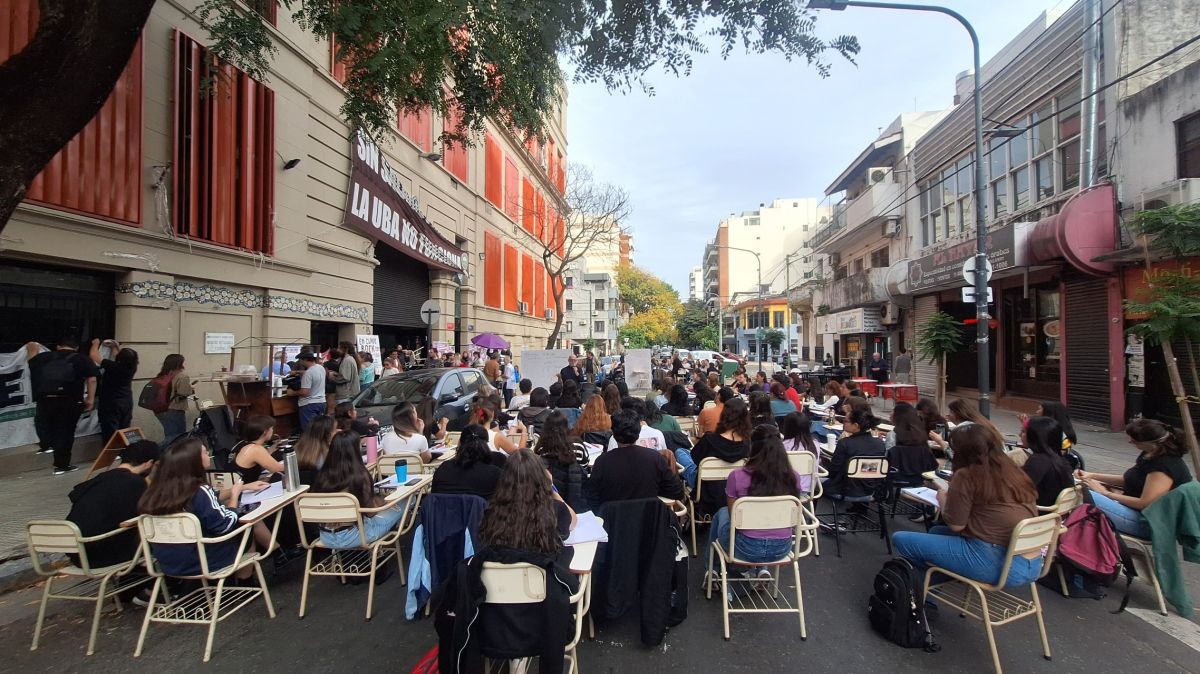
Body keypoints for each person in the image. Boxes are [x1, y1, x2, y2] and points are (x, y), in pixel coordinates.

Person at [892, 424, 1042, 588]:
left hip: (996, 562)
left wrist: (942, 498)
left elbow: (956, 525)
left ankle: (920, 589)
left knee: (901, 539)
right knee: (936, 532)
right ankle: (927, 587)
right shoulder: (1013, 471)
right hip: (1031, 560)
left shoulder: (968, 475)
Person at [138, 437, 270, 579]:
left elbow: (204, 501)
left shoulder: (155, 493)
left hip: (168, 564)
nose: (208, 454)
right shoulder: (200, 490)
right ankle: (246, 580)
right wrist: (234, 498)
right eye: (204, 452)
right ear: (194, 461)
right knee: (246, 528)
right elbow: (224, 525)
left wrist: (241, 488)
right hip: (204, 561)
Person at [708, 425, 809, 573]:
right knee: (768, 522)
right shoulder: (793, 477)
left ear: (752, 447)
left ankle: (713, 571)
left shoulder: (737, 476)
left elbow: (733, 517)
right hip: (782, 548)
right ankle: (762, 570)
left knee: (722, 514)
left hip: (745, 548)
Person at [1078, 419, 1194, 538]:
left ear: (1151, 443)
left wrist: (1105, 493)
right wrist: (1092, 475)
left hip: (1149, 524)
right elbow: (1129, 479)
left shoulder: (1163, 466)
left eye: (1134, 440)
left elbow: (1145, 503)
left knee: (1080, 494)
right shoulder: (1150, 454)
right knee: (1082, 487)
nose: (1130, 442)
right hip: (1138, 513)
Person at [66, 440, 159, 568]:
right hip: (102, 555)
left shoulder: (100, 479)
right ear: (149, 463)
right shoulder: (134, 483)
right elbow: (150, 514)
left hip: (77, 553)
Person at [313, 431, 407, 551]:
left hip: (326, 538)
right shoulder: (359, 476)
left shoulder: (321, 477)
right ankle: (389, 549)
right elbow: (371, 512)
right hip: (357, 536)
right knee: (407, 500)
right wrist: (387, 501)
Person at [26, 337, 100, 475]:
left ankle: (46, 445)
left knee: (44, 422)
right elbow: (92, 379)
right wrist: (90, 398)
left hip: (45, 399)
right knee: (65, 431)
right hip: (70, 400)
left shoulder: (45, 357)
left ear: (58, 346)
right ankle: (62, 465)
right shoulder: (82, 359)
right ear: (76, 347)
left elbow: (31, 361)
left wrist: (32, 348)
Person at [482, 448, 578, 550]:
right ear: (541, 477)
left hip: (501, 563)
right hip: (540, 565)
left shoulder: (493, 510)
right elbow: (573, 522)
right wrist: (552, 488)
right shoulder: (555, 509)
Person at [586, 409, 684, 505]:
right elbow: (677, 491)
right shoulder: (655, 458)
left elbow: (591, 497)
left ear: (613, 433)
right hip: (648, 518)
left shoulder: (602, 462)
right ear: (638, 432)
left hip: (613, 519)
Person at [678, 398, 752, 492]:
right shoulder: (747, 443)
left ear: (724, 414)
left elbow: (695, 459)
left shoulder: (709, 439)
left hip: (705, 487)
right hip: (733, 486)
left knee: (680, 452)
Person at [823, 408, 885, 500]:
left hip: (844, 490)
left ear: (856, 425)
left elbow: (833, 471)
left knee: (813, 482)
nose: (843, 423)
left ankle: (811, 513)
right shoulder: (880, 444)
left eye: (845, 421)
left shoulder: (845, 443)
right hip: (870, 490)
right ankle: (860, 509)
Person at [432, 424, 506, 500]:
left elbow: (433, 503)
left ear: (460, 443)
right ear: (486, 444)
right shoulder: (495, 474)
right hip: (482, 511)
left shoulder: (443, 469)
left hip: (444, 511)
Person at [534, 411, 587, 512]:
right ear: (567, 427)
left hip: (548, 503)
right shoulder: (578, 446)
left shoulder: (541, 449)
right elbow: (584, 468)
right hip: (574, 500)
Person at [88, 338, 138, 444]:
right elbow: (118, 356)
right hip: (126, 401)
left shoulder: (113, 366)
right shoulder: (131, 367)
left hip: (111, 402)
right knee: (124, 428)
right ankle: (124, 450)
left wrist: (95, 343)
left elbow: (94, 355)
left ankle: (111, 453)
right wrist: (114, 347)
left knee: (110, 431)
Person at [1021, 416, 1075, 508]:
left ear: (1035, 437)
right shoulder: (1061, 461)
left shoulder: (1038, 461)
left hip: (1037, 514)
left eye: (1024, 432)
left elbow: (1019, 492)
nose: (1019, 434)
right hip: (1053, 515)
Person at [887, 406, 938, 484]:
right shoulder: (921, 438)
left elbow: (887, 458)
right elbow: (933, 467)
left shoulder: (893, 435)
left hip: (896, 481)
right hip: (921, 483)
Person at [228, 414, 284, 485]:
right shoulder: (255, 449)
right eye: (271, 428)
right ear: (265, 431)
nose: (272, 430)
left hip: (240, 485)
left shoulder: (242, 444)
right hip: (243, 491)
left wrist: (272, 448)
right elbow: (278, 469)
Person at [295, 415, 337, 483]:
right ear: (327, 434)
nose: (337, 431)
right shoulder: (327, 455)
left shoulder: (298, 450)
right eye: (335, 430)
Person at [291, 352, 327, 430]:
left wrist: (292, 393)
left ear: (305, 360)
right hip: (321, 402)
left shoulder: (308, 373)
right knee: (318, 429)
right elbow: (312, 373)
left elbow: (305, 392)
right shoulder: (320, 368)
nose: (300, 362)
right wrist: (297, 372)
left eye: (300, 360)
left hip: (309, 404)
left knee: (309, 430)